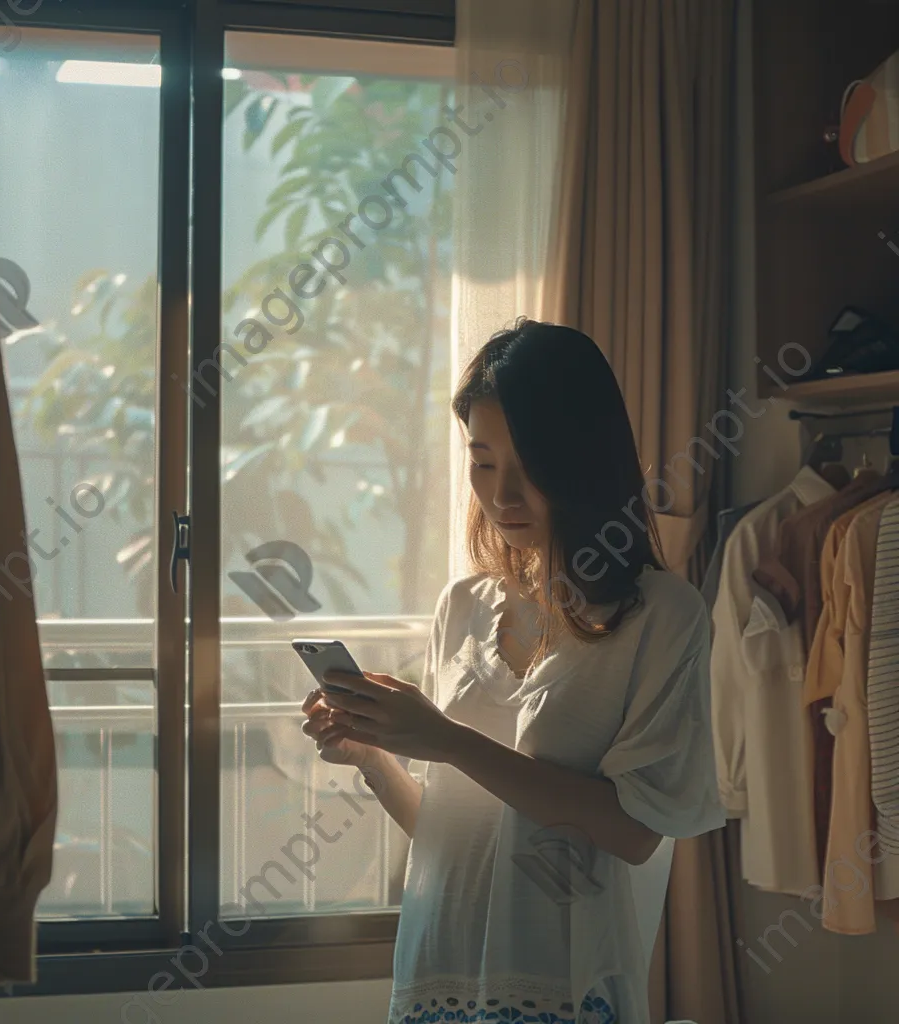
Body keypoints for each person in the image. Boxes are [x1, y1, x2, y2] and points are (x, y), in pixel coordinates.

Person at [300, 318, 725, 1024]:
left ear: (584, 459)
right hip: (441, 971)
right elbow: (452, 829)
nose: (503, 494)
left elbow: (634, 830)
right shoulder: (463, 605)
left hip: (566, 981)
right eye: (483, 459)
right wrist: (374, 754)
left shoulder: (663, 616)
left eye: (530, 461)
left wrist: (446, 740)